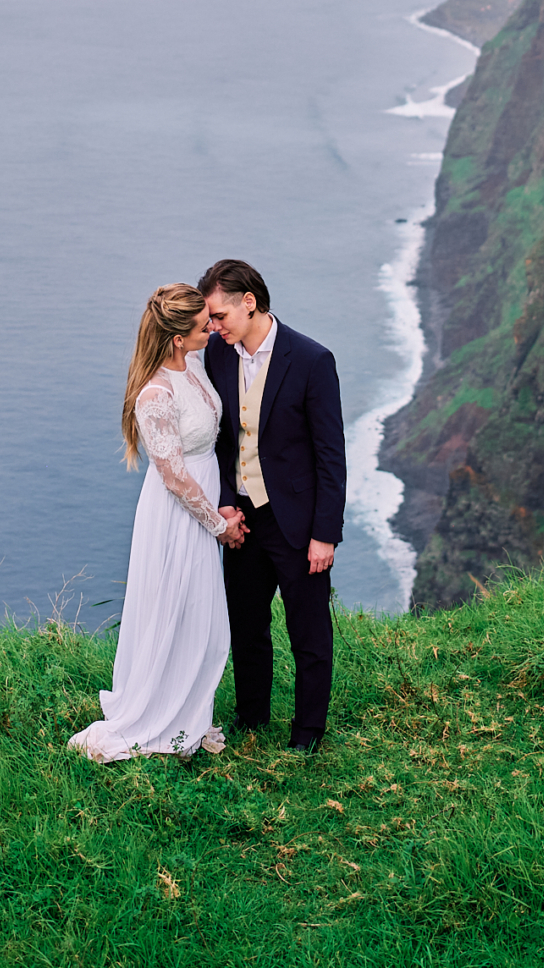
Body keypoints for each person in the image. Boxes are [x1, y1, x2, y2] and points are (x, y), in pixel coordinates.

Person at [69, 283, 245, 763]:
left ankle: (190, 714)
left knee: (200, 620)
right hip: (178, 516)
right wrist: (218, 523)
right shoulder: (155, 395)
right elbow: (172, 475)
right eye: (202, 325)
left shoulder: (193, 366)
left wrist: (225, 504)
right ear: (176, 338)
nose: (211, 328)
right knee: (177, 612)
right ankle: (160, 720)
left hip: (205, 503)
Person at [200, 259, 346, 754]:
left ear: (249, 302)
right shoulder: (219, 357)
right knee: (245, 622)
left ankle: (307, 734)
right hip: (242, 518)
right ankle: (252, 716)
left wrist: (324, 534)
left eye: (219, 316)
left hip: (298, 523)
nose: (213, 327)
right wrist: (223, 505)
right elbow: (221, 443)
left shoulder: (311, 359)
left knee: (308, 630)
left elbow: (331, 456)